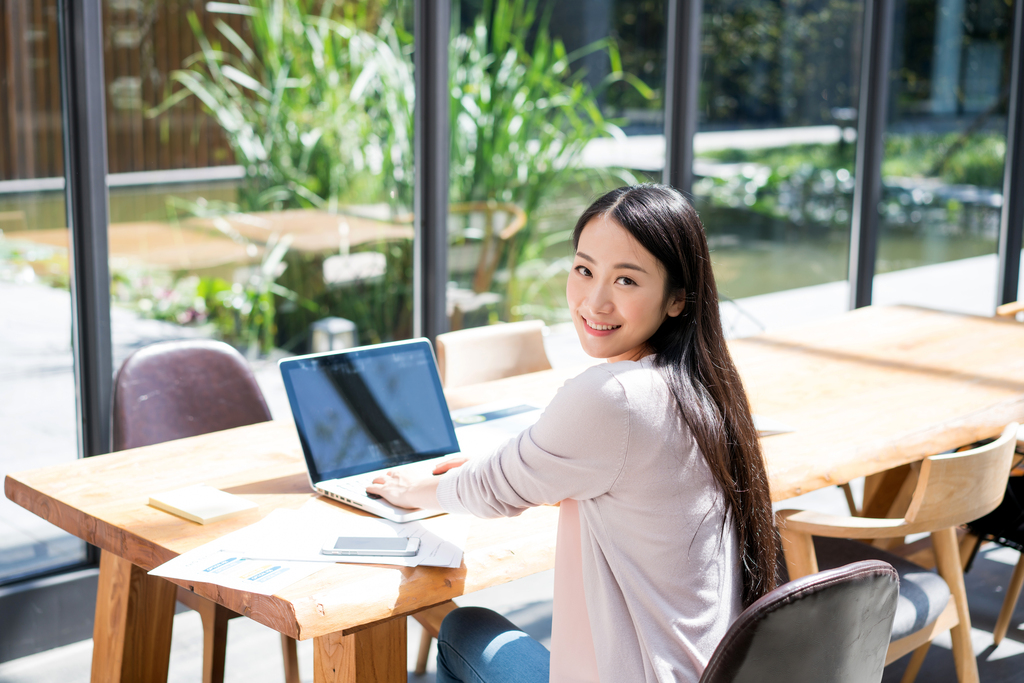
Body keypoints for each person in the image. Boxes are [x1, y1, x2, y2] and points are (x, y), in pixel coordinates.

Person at [366, 184, 778, 683]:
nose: (595, 301)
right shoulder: (702, 384)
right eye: (584, 270)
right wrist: (498, 467)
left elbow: (496, 491)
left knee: (462, 629)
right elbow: (546, 464)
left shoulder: (613, 395)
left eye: (626, 280)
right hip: (702, 671)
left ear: (677, 300)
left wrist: (413, 490)